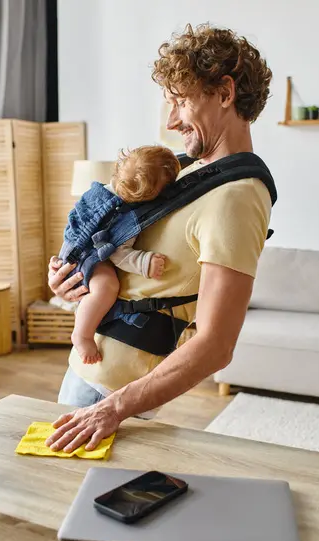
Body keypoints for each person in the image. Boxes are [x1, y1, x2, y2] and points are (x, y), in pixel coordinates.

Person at [46, 23, 273, 453]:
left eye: (180, 102)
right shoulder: (187, 172)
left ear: (224, 93)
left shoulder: (237, 197)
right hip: (93, 371)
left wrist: (112, 409)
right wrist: (72, 278)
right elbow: (129, 261)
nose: (170, 121)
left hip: (111, 394)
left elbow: (215, 345)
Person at [60, 145, 179, 365]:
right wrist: (144, 262)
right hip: (83, 258)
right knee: (106, 287)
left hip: (71, 252)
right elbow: (118, 254)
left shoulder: (101, 190)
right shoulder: (124, 217)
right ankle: (82, 334)